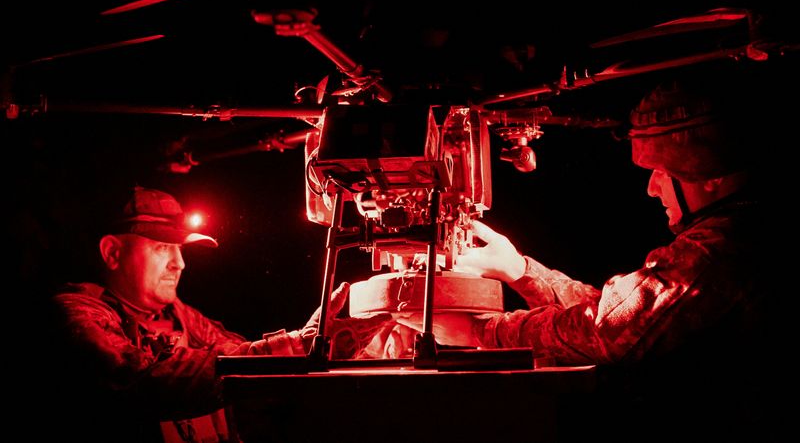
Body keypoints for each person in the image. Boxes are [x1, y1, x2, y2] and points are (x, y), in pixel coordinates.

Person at [400, 67, 781, 440]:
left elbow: (605, 331)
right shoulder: (737, 231)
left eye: (663, 172)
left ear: (711, 175)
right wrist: (519, 270)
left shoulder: (722, 251)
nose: (652, 188)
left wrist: (477, 331)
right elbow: (622, 313)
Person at [47, 186, 390, 443]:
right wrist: (297, 347)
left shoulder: (180, 315)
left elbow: (242, 359)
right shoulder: (77, 312)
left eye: (180, 249)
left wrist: (317, 347)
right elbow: (141, 378)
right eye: (161, 247)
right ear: (112, 252)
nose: (179, 264)